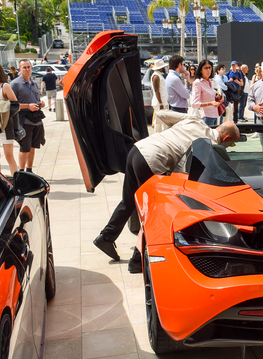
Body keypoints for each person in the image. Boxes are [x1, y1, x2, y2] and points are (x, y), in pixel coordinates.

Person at [93, 110, 240, 271]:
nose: (229, 146)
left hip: (139, 149)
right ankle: (137, 260)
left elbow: (161, 114)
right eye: (232, 143)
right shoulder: (208, 145)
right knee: (152, 213)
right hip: (153, 161)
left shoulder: (194, 119)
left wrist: (174, 134)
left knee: (128, 202)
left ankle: (106, 238)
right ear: (226, 139)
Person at [11, 59, 46, 173]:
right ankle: (21, 172)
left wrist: (40, 103)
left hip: (36, 119)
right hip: (24, 120)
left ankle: (29, 171)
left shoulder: (34, 83)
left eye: (28, 67)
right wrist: (27, 106)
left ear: (31, 68)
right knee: (24, 148)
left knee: (32, 147)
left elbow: (36, 99)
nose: (27, 69)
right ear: (20, 69)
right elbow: (11, 105)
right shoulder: (15, 84)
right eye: (24, 67)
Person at [191, 59, 221, 127]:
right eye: (205, 68)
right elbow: (194, 104)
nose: (208, 70)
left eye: (209, 67)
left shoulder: (210, 82)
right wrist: (210, 103)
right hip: (206, 116)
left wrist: (218, 99)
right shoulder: (198, 83)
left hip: (215, 114)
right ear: (201, 70)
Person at [150, 59, 168, 132]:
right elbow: (157, 90)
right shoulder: (156, 76)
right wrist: (160, 103)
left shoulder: (159, 75)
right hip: (159, 102)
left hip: (163, 101)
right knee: (158, 122)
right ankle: (157, 136)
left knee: (163, 122)